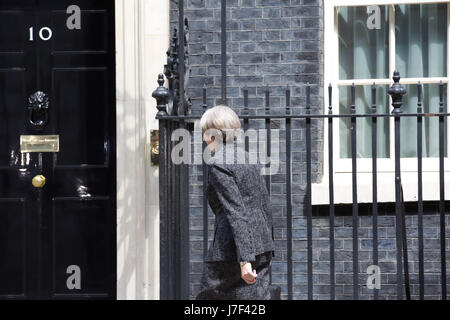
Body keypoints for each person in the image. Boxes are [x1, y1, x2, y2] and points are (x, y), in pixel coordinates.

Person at [196, 105, 275, 300]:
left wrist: (244, 260)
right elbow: (262, 202)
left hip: (232, 252)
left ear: (212, 135)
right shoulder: (249, 158)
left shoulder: (219, 164)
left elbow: (235, 212)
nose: (204, 139)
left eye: (205, 134)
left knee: (208, 298)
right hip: (261, 246)